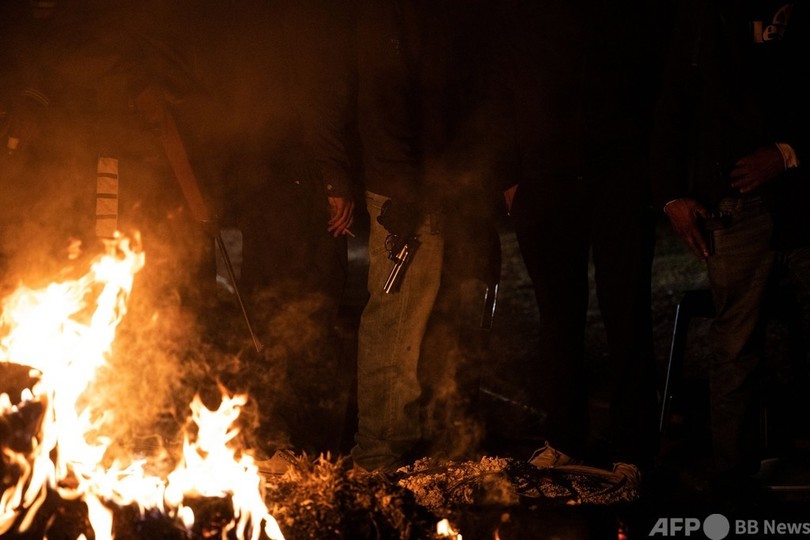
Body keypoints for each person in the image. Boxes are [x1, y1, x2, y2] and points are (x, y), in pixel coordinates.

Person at [496, 0, 668, 473]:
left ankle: (634, 447)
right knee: (557, 315)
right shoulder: (522, 14)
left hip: (620, 174)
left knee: (627, 311)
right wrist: (510, 177)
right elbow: (499, 83)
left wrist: (651, 176)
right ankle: (565, 437)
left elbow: (658, 83)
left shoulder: (631, 13)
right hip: (545, 180)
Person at [651, 0, 810, 498]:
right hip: (736, 202)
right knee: (735, 344)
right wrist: (671, 196)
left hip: (804, 198)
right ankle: (732, 482)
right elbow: (673, 102)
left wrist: (787, 153)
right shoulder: (706, 13)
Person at [343, 0, 504, 472]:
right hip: (407, 196)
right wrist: (404, 190)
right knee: (396, 322)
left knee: (436, 322)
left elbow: (458, 101)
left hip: (444, 189)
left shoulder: (441, 16)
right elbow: (383, 101)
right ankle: (380, 453)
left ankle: (435, 444)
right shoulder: (388, 16)